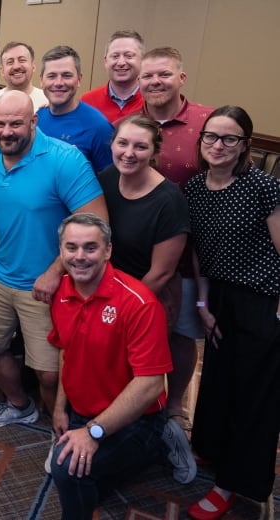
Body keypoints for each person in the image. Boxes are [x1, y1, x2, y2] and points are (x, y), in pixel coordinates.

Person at [0, 90, 106, 429]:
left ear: (34, 122)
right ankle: (20, 404)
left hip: (48, 285)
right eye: (0, 124)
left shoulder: (65, 159)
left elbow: (96, 223)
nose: (7, 131)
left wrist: (56, 271)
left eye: (16, 123)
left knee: (50, 374)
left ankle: (63, 432)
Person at [48, 213, 179, 519]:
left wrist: (93, 433)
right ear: (61, 250)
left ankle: (156, 445)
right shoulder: (62, 292)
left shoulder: (139, 303)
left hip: (139, 418)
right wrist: (58, 408)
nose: (80, 257)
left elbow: (150, 384)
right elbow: (67, 351)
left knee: (65, 469)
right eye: (71, 247)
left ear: (108, 251)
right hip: (84, 411)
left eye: (90, 248)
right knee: (75, 471)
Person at [183, 106, 280, 520]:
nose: (218, 146)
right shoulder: (193, 189)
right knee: (219, 382)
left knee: (253, 395)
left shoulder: (264, 187)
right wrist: (203, 305)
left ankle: (232, 482)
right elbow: (199, 258)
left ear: (245, 146)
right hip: (218, 298)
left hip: (261, 301)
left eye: (230, 139)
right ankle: (211, 448)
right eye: (211, 137)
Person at [97, 115, 196, 485]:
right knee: (106, 371)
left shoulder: (169, 199)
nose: (129, 152)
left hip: (147, 297)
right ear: (112, 144)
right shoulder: (105, 180)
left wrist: (117, 310)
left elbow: (160, 273)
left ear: (155, 152)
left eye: (140, 146)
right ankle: (104, 437)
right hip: (108, 293)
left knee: (141, 379)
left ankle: (161, 437)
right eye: (123, 143)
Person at [133, 46, 213, 432]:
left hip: (189, 257)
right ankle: (136, 397)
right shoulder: (131, 123)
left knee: (181, 335)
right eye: (147, 76)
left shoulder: (207, 122)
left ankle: (176, 403)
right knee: (136, 331)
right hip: (136, 252)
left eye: (163, 74)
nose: (154, 82)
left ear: (181, 78)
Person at [36, 45, 113, 172]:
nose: (59, 83)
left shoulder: (99, 127)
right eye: (51, 76)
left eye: (66, 75)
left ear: (79, 80)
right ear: (41, 80)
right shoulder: (38, 118)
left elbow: (109, 181)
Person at [81, 30, 144, 123]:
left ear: (142, 60)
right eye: (115, 56)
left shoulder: (152, 101)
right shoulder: (87, 102)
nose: (121, 62)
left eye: (129, 56)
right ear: (105, 61)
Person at [0, 41, 46, 111]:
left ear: (33, 67)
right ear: (2, 71)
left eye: (22, 60)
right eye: (10, 62)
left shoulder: (48, 102)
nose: (16, 66)